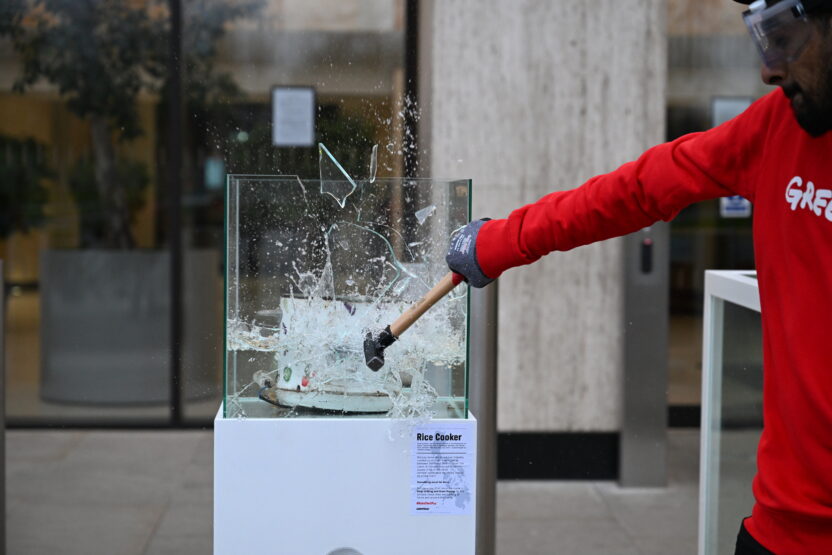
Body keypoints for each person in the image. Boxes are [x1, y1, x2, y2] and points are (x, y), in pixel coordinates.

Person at [447, 0, 832, 553]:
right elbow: (640, 188)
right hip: (776, 530)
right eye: (759, 38)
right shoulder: (776, 127)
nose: (769, 69)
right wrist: (501, 241)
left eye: (785, 36)